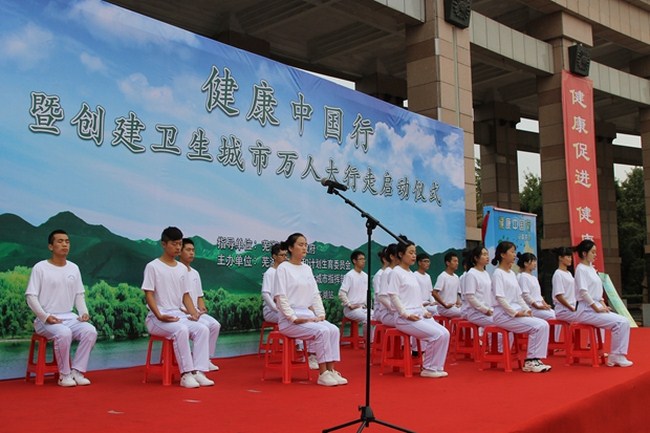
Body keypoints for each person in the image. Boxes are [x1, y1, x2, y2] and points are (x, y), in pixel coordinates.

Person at [142, 227, 214, 388]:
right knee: (180, 330)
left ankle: (199, 372)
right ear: (163, 244)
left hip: (177, 315)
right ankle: (186, 374)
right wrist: (159, 315)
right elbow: (149, 295)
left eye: (179, 244)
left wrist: (194, 313)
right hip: (156, 318)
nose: (177, 248)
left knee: (202, 329)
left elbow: (186, 295)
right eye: (174, 244)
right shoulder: (153, 266)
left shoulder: (182, 269)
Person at [272, 233, 347, 387]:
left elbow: (315, 294)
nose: (304, 247)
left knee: (333, 329)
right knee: (322, 331)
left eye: (306, 244)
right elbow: (281, 297)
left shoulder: (307, 268)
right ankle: (322, 373)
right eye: (300, 244)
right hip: (290, 319)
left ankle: (331, 370)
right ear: (291, 248)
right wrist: (292, 318)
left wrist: (320, 314)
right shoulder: (283, 269)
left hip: (308, 315)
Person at [25, 229, 97, 387]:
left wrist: (83, 313)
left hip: (69, 317)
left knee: (90, 331)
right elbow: (30, 297)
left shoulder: (74, 268)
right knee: (64, 333)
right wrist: (45, 316)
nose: (64, 244)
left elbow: (79, 295)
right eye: (60, 241)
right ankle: (64, 375)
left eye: (67, 241)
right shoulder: (40, 268)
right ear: (51, 247)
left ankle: (77, 371)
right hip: (45, 319)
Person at [387, 237, 450, 378]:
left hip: (417, 313)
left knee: (445, 333)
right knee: (436, 335)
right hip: (404, 318)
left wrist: (424, 311)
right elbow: (393, 296)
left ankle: (437, 367)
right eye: (410, 252)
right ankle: (428, 368)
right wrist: (405, 314)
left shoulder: (411, 274)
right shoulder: (396, 272)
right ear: (401, 254)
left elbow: (416, 299)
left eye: (414, 252)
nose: (414, 255)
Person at [490, 241, 551, 373]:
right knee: (538, 326)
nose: (514, 255)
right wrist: (515, 313)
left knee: (544, 324)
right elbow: (500, 298)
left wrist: (527, 310)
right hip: (502, 314)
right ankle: (530, 361)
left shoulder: (512, 274)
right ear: (502, 255)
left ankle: (535, 358)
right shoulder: (497, 274)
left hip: (514, 311)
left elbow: (518, 297)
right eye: (511, 252)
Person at [574, 239, 633, 367]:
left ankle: (616, 355)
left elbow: (597, 291)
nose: (595, 255)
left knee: (623, 321)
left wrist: (603, 305)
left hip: (595, 306)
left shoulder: (591, 269)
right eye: (593, 252)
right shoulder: (581, 269)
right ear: (584, 253)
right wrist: (596, 307)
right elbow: (584, 292)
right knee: (621, 322)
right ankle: (617, 355)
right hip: (586, 309)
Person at [179, 238, 221, 371]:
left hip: (195, 311)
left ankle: (206, 358)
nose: (191, 253)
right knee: (204, 326)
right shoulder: (176, 270)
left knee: (215, 324)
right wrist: (188, 311)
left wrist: (202, 308)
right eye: (188, 250)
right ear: (180, 251)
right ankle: (195, 363)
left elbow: (199, 296)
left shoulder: (195, 273)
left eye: (193, 250)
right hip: (181, 312)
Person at [460, 245, 494, 329]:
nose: (487, 257)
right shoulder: (471, 274)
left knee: (507, 323)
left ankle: (491, 341)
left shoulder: (485, 273)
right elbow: (470, 297)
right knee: (501, 324)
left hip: (487, 310)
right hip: (476, 313)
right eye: (484, 254)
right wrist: (485, 310)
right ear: (476, 258)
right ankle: (491, 342)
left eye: (487, 254)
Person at [338, 250, 370, 337]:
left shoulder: (365, 276)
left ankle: (372, 342)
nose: (363, 261)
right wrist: (349, 305)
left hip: (363, 308)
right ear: (354, 261)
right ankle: (367, 343)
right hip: (351, 310)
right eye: (361, 259)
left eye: (364, 259)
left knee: (376, 317)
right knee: (368, 319)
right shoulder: (350, 275)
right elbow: (341, 293)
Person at [517, 252, 555, 320]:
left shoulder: (534, 278)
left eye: (535, 261)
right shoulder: (523, 276)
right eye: (533, 261)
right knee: (552, 316)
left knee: (555, 314)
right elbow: (525, 295)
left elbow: (538, 295)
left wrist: (545, 304)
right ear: (525, 263)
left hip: (539, 306)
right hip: (532, 307)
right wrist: (537, 306)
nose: (535, 263)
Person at [261, 243, 287, 324]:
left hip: (285, 309)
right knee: (293, 319)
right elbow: (265, 294)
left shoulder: (285, 272)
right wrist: (276, 308)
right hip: (272, 312)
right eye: (281, 255)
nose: (285, 258)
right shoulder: (270, 273)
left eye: (285, 255)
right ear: (274, 256)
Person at [432, 251, 462, 319]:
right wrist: (445, 305)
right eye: (454, 261)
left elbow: (457, 294)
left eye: (457, 261)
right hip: (444, 309)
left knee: (467, 310)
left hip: (453, 307)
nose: (457, 263)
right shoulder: (442, 276)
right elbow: (434, 293)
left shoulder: (456, 277)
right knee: (465, 313)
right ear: (448, 263)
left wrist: (458, 303)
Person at [376, 243, 399, 327]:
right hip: (388, 313)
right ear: (392, 257)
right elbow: (381, 297)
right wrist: (397, 309)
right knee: (413, 322)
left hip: (397, 312)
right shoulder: (385, 273)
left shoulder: (398, 272)